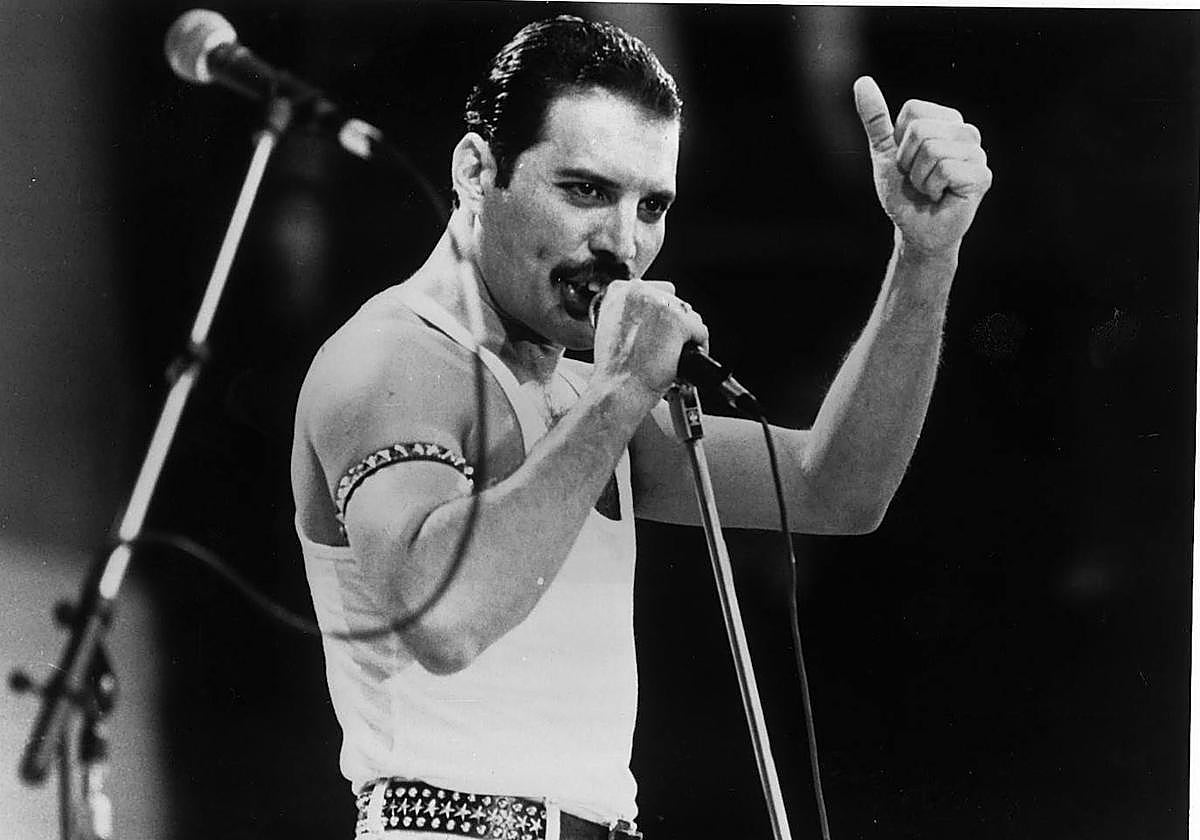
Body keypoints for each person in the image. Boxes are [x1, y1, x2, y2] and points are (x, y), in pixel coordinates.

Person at [291, 15, 991, 840]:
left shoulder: (580, 395)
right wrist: (623, 388)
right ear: (477, 170)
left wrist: (924, 258)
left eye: (651, 205)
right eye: (586, 191)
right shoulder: (390, 360)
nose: (623, 245)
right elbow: (444, 623)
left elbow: (832, 490)